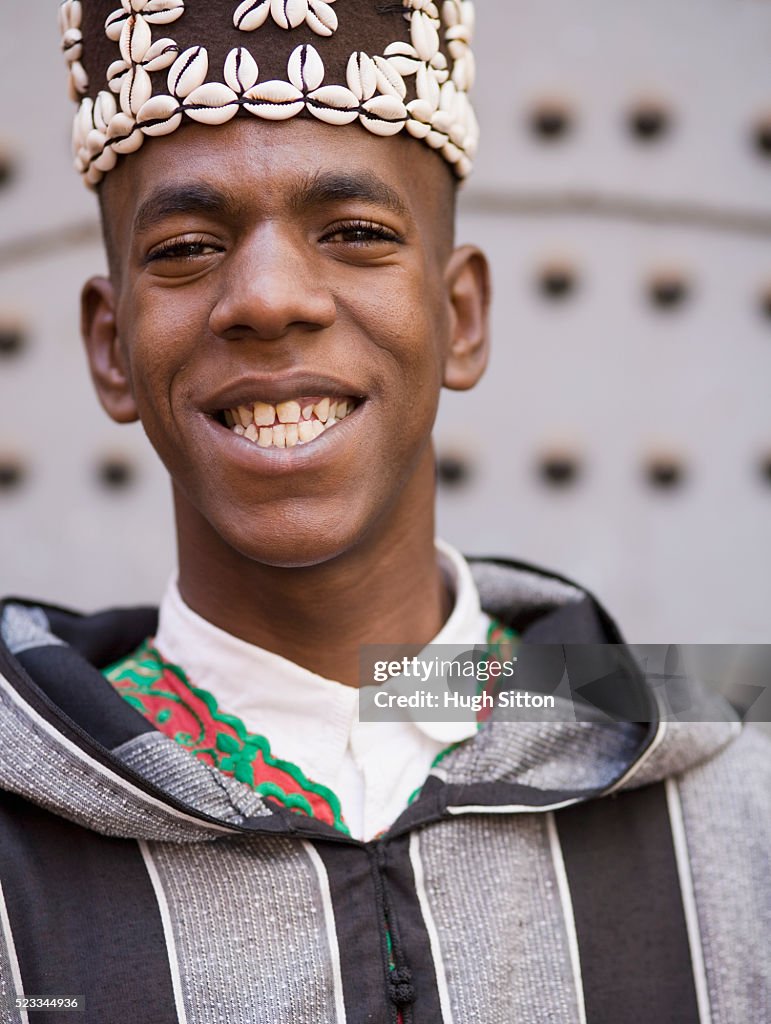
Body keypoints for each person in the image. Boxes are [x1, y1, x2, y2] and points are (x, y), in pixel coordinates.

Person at [0, 2, 768, 1022]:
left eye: (355, 233)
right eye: (187, 247)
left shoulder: (731, 799)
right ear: (110, 346)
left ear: (460, 317)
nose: (269, 297)